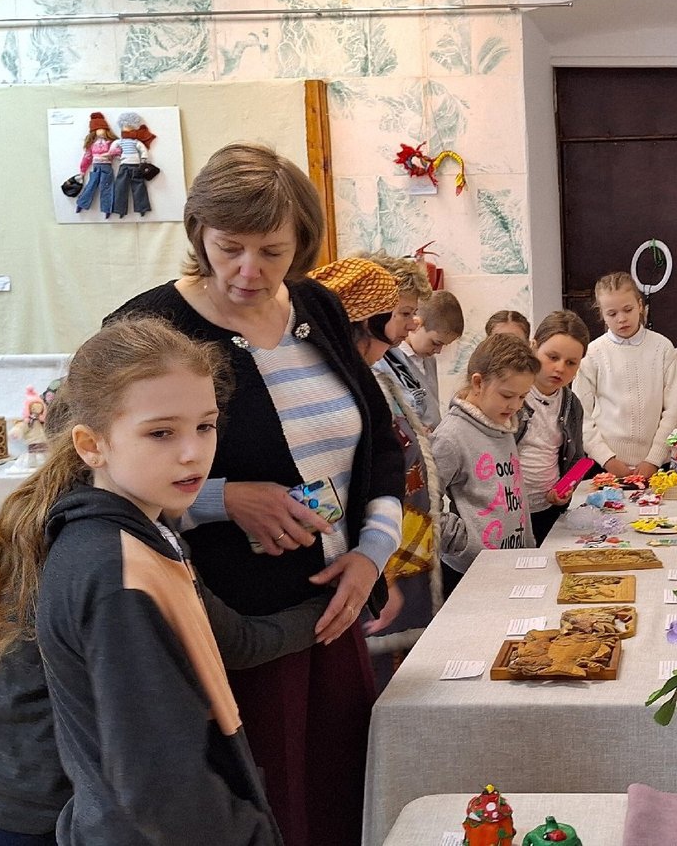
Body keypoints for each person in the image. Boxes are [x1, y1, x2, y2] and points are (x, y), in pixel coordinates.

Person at [0, 318, 337, 846]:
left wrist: (337, 603)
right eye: (161, 432)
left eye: (205, 426)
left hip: (50, 806)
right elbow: (157, 782)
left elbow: (229, 639)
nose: (192, 452)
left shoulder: (141, 529)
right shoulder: (103, 559)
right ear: (91, 444)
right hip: (9, 812)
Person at [107, 142, 404, 846]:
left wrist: (371, 556)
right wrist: (222, 498)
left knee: (339, 793)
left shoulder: (318, 307)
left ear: (302, 244)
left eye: (272, 252)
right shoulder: (150, 329)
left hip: (332, 608)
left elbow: (380, 448)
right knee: (265, 804)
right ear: (198, 235)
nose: (249, 270)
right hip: (234, 620)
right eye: (228, 248)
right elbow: (107, 483)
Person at [310, 257, 444, 682]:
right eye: (403, 313)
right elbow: (342, 488)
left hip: (401, 545)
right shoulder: (333, 387)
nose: (412, 323)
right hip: (368, 560)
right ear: (366, 319)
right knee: (371, 678)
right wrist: (381, 569)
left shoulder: (384, 369)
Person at [432, 333, 539, 592]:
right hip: (470, 571)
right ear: (478, 383)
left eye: (522, 397)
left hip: (511, 562)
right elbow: (421, 503)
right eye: (507, 395)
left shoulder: (503, 425)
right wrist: (460, 540)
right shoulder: (450, 436)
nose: (515, 406)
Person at [574, 272, 677, 478]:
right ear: (602, 314)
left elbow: (674, 411)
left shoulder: (663, 348)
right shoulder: (592, 354)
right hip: (605, 467)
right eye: (612, 313)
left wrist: (653, 459)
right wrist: (607, 459)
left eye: (628, 309)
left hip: (657, 466)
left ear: (640, 305)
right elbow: (581, 415)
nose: (622, 319)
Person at [517, 311, 591, 542]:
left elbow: (577, 459)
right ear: (533, 348)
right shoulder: (511, 395)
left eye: (571, 363)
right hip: (509, 514)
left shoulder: (571, 404)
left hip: (548, 512)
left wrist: (566, 488)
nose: (560, 368)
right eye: (552, 357)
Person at [379, 289, 463, 429]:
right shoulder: (387, 359)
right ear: (416, 325)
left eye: (444, 345)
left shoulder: (430, 360)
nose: (438, 351)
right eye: (436, 343)